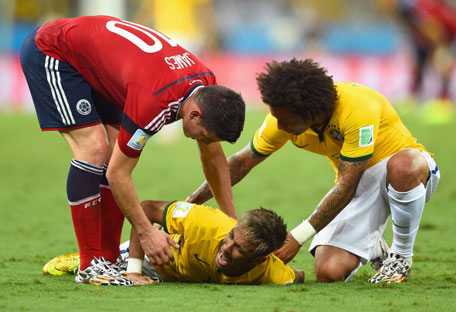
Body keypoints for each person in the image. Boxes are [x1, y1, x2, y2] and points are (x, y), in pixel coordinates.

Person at [20, 15, 245, 286]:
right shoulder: (154, 103)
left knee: (114, 148)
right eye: (206, 137)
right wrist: (146, 232)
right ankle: (90, 265)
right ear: (195, 115)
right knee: (94, 148)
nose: (206, 143)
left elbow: (213, 157)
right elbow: (118, 174)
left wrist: (231, 221)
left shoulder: (208, 88)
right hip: (54, 50)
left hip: (105, 64)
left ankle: (109, 259)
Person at [187, 58, 440, 283]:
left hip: (411, 173)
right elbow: (241, 163)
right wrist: (191, 202)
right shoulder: (281, 121)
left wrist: (297, 236)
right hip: (359, 186)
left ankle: (400, 257)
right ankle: (374, 246)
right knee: (328, 272)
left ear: (309, 110)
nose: (280, 125)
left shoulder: (357, 107)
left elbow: (346, 184)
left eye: (286, 120)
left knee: (402, 166)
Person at [43, 200, 305, 286]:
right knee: (113, 277)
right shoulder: (204, 221)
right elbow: (144, 209)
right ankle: (94, 259)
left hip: (174, 277)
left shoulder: (271, 272)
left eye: (239, 249)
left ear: (259, 259)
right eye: (231, 237)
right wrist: (134, 270)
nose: (227, 247)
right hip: (156, 257)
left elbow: (299, 276)